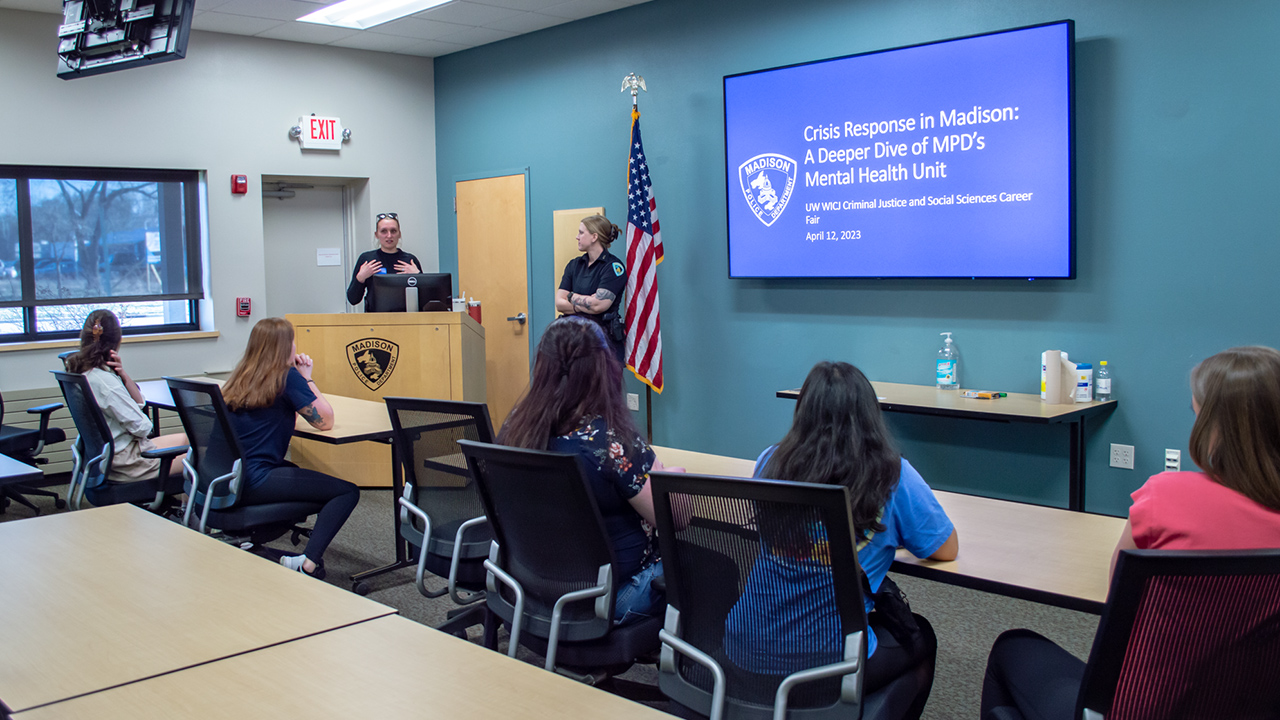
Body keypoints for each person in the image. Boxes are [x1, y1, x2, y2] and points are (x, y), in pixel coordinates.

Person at [980, 346, 1280, 720]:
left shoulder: (1166, 496)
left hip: (1141, 707)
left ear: (1214, 427)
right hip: (1250, 706)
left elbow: (1117, 597)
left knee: (1013, 647)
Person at [724, 361, 958, 716]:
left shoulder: (769, 462)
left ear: (802, 412)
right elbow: (945, 548)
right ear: (869, 414)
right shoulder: (892, 476)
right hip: (827, 665)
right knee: (920, 637)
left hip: (742, 651)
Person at [497, 315, 681, 623]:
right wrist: (668, 475)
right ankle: (689, 668)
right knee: (713, 566)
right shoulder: (610, 441)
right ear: (602, 368)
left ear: (542, 366)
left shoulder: (515, 428)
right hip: (609, 598)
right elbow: (675, 518)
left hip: (532, 589)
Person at [221, 317, 360, 578]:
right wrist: (307, 378)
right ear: (285, 347)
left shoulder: (241, 375)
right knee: (346, 492)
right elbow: (325, 421)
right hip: (256, 479)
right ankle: (307, 563)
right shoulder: (286, 377)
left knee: (293, 470)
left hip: (230, 475)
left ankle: (254, 538)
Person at [65, 309, 188, 482]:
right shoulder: (106, 383)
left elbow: (139, 403)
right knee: (201, 456)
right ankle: (186, 508)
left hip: (106, 456)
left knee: (185, 439)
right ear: (117, 341)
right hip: (127, 462)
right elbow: (144, 428)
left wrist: (122, 375)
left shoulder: (83, 373)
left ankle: (182, 506)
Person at [556, 215, 627, 360]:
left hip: (603, 344)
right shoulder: (574, 265)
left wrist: (572, 297)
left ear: (594, 237)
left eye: (581, 233)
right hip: (574, 341)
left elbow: (598, 306)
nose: (577, 237)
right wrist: (586, 303)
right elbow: (559, 303)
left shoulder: (613, 267)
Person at [346, 213, 422, 311]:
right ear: (376, 235)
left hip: (405, 320)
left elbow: (424, 300)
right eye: (384, 231)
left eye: (393, 231)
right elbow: (353, 299)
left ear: (399, 234)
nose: (389, 235)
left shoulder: (410, 260)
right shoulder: (367, 259)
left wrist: (418, 276)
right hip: (375, 321)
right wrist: (360, 278)